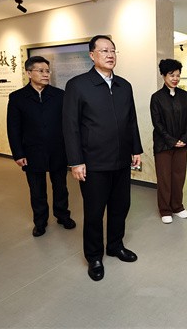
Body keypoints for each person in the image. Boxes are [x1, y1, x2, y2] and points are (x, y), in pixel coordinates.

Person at [62, 35, 143, 282]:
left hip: (121, 160)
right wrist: (75, 161)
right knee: (95, 212)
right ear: (92, 55)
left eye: (113, 50)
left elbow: (131, 120)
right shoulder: (78, 85)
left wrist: (136, 149)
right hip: (93, 163)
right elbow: (70, 126)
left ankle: (115, 245)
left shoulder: (124, 86)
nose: (110, 55)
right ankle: (94, 256)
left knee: (121, 207)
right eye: (104, 50)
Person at [6, 56, 75, 237]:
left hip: (58, 150)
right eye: (41, 71)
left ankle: (62, 215)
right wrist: (18, 153)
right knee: (37, 190)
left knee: (61, 187)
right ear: (29, 73)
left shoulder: (60, 95)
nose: (46, 74)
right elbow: (13, 128)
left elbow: (68, 124)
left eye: (47, 71)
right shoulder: (17, 98)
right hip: (32, 151)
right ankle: (40, 222)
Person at [150, 59, 187, 224]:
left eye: (178, 75)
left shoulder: (185, 96)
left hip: (182, 144)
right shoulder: (157, 98)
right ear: (163, 75)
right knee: (164, 178)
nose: (175, 78)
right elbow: (157, 124)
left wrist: (184, 138)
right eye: (171, 75)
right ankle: (165, 209)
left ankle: (177, 206)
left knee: (179, 177)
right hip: (163, 145)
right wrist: (172, 141)